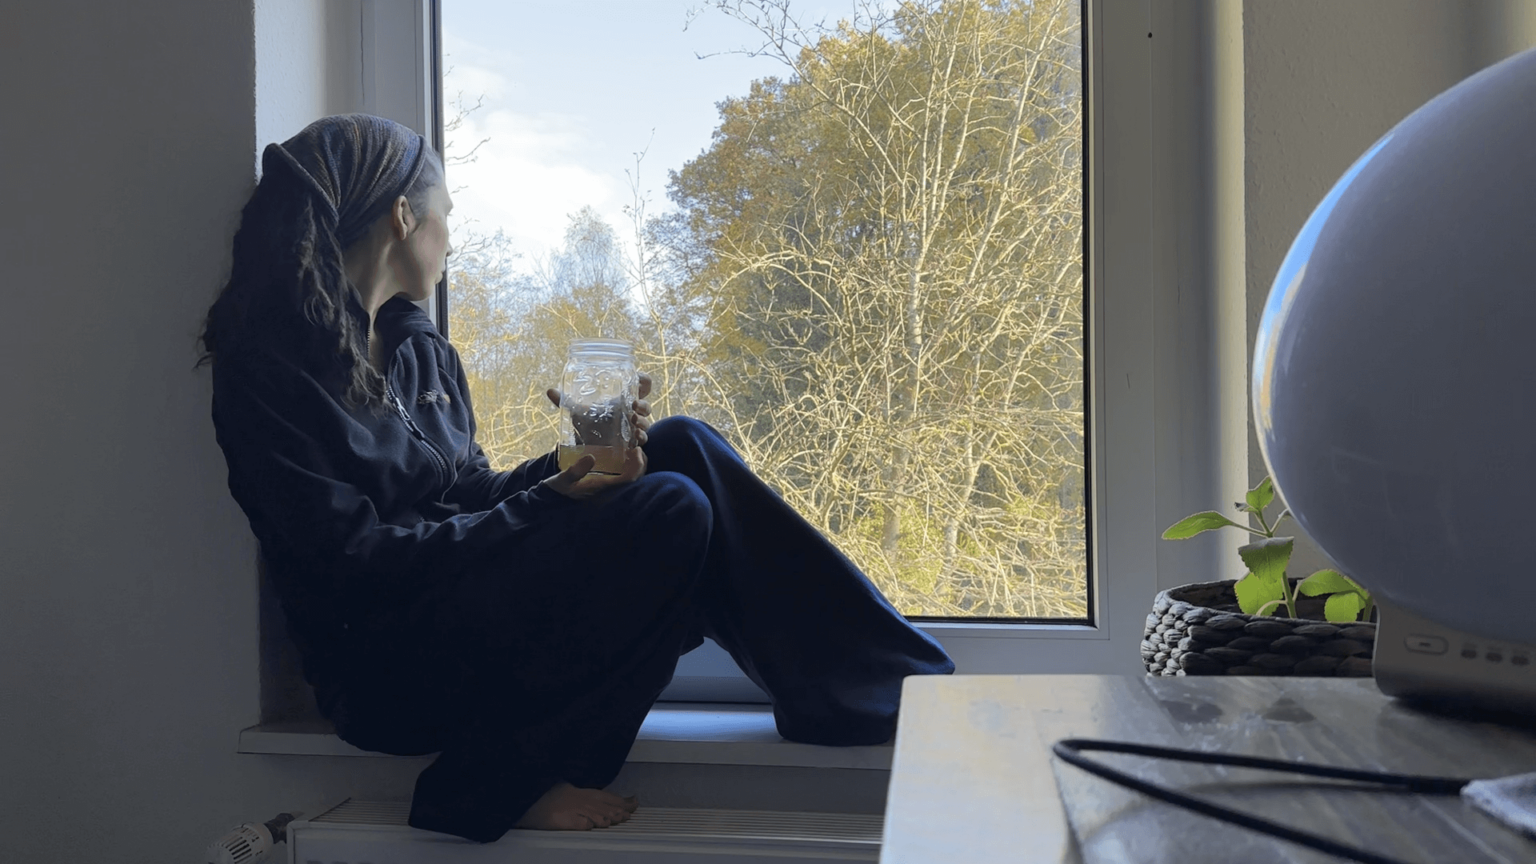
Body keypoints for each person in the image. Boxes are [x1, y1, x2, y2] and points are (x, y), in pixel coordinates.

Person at [200, 114, 954, 844]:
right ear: (402, 216)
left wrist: (574, 466)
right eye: (445, 216)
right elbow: (351, 564)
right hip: (387, 669)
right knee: (670, 510)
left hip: (468, 609)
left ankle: (879, 691)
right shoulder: (271, 374)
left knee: (677, 448)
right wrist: (546, 507)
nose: (450, 240)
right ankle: (491, 782)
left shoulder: (415, 348)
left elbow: (466, 494)